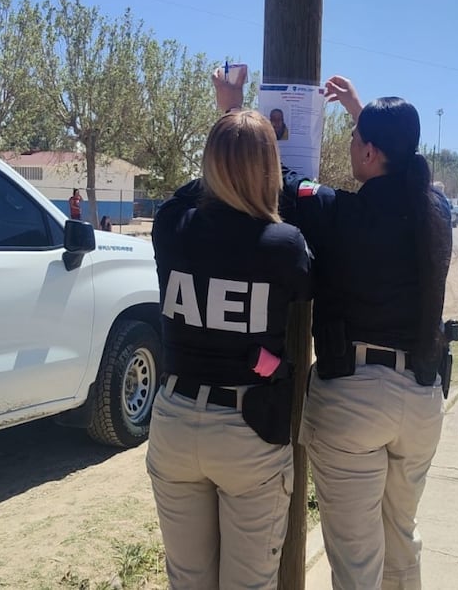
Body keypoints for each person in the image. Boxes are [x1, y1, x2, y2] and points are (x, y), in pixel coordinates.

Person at [216, 73, 454, 589]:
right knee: (401, 542)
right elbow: (404, 163)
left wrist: (231, 109)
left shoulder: (335, 211)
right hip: (422, 398)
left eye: (354, 140)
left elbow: (267, 176)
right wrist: (361, 112)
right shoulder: (435, 210)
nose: (348, 147)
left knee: (356, 563)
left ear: (369, 153)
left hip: (355, 402)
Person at [147, 67, 312, 590]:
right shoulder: (282, 244)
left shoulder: (172, 225)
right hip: (245, 426)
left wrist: (229, 118)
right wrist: (243, 128)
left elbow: (193, 192)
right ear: (271, 167)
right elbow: (304, 284)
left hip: (174, 418)